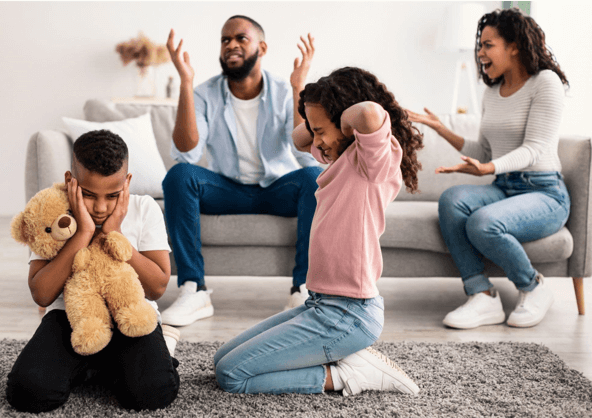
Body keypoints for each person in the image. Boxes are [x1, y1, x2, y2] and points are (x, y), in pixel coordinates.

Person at [213, 67, 423, 396]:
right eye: (317, 132)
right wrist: (318, 116)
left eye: (323, 131)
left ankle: (348, 376)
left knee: (232, 375)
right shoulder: (342, 157)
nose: (318, 140)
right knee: (221, 359)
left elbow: (367, 112)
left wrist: (336, 113)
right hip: (321, 304)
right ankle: (344, 358)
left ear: (345, 124)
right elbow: (298, 137)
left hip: (349, 313)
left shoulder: (373, 161)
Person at [407, 8, 570, 329]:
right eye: (479, 45)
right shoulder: (492, 92)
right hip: (505, 187)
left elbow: (534, 148)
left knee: (483, 222)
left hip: (544, 192)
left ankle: (533, 287)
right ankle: (482, 294)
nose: (480, 52)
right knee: (453, 199)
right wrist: (441, 128)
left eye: (487, 44)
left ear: (515, 45)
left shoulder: (545, 83)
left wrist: (488, 168)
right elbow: (482, 151)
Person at [161, 15, 323, 327]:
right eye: (225, 40)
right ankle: (193, 289)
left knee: (314, 178)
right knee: (179, 176)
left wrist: (299, 88)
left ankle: (302, 290)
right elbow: (186, 152)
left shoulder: (283, 89)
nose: (231, 45)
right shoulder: (204, 93)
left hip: (278, 190)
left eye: (240, 38)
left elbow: (307, 156)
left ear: (261, 47)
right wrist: (185, 82)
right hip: (228, 190)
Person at [6, 130, 179, 413]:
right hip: (71, 316)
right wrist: (83, 233)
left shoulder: (144, 208)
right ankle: (102, 365)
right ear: (69, 181)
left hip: (130, 314)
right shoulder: (53, 211)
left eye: (112, 195)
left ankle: (154, 350)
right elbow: (42, 294)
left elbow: (157, 287)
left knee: (151, 394)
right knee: (28, 393)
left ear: (127, 182)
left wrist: (115, 233)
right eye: (88, 195)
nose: (100, 208)